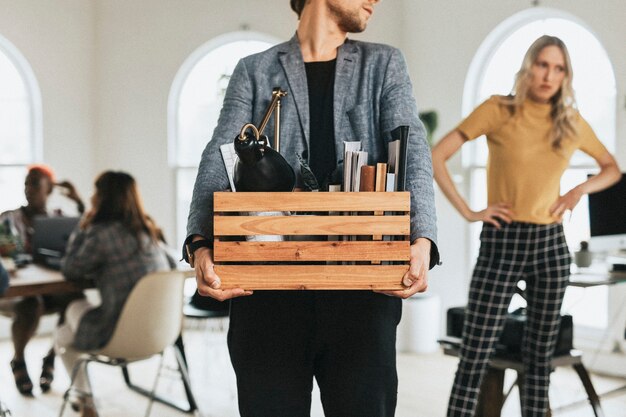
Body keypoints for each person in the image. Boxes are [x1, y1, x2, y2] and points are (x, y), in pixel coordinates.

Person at [184, 1, 439, 416]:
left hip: (362, 293)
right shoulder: (255, 69)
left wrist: (423, 239)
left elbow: (414, 150)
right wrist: (199, 244)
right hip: (266, 296)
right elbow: (219, 153)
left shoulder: (384, 64)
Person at [432, 35, 621, 417]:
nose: (549, 75)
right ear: (528, 66)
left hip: (550, 245)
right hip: (503, 239)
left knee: (539, 364)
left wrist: (577, 191)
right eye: (542, 64)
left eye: (558, 68)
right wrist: (470, 211)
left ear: (566, 75)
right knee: (475, 356)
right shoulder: (498, 109)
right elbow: (438, 155)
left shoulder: (570, 123)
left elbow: (612, 168)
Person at [53, 171, 175, 417]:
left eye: (96, 191)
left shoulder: (100, 234)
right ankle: (84, 399)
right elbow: (173, 266)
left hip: (118, 335)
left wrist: (83, 224)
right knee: (64, 335)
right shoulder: (150, 232)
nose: (92, 196)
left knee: (67, 321)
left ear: (103, 198)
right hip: (160, 334)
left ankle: (86, 401)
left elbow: (70, 268)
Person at [0, 164, 85, 395]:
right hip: (14, 293)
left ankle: (51, 357)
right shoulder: (7, 219)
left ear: (49, 189)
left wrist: (78, 202)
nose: (28, 188)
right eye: (26, 183)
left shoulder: (60, 220)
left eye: (35, 183)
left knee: (75, 299)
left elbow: (88, 232)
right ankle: (18, 360)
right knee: (31, 303)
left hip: (49, 289)